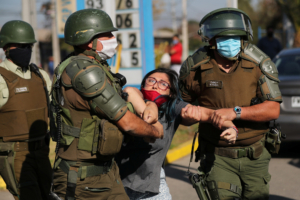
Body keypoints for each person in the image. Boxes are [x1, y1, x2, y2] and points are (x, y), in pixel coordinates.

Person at [50, 9, 164, 200]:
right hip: (82, 177)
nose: (113, 38)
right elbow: (127, 122)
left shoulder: (92, 67)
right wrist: (155, 132)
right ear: (89, 40)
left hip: (104, 171)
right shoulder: (85, 72)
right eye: (107, 34)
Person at [179, 8, 282, 200]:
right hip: (216, 157)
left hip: (255, 156)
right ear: (211, 40)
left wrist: (234, 112)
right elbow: (181, 108)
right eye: (224, 37)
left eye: (236, 37)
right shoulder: (195, 67)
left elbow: (273, 109)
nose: (231, 42)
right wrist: (189, 116)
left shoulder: (259, 64)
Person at [116, 68, 238, 200]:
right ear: (143, 84)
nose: (155, 85)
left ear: (171, 92)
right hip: (117, 184)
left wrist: (231, 127)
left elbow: (211, 115)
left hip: (151, 187)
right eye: (151, 80)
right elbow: (129, 91)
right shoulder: (128, 102)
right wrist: (149, 107)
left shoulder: (173, 107)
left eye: (163, 84)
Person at [0, 20, 52, 200]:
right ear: (6, 47)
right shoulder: (1, 78)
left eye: (29, 45)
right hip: (14, 153)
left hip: (42, 151)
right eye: (21, 45)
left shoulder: (41, 75)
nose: (26, 50)